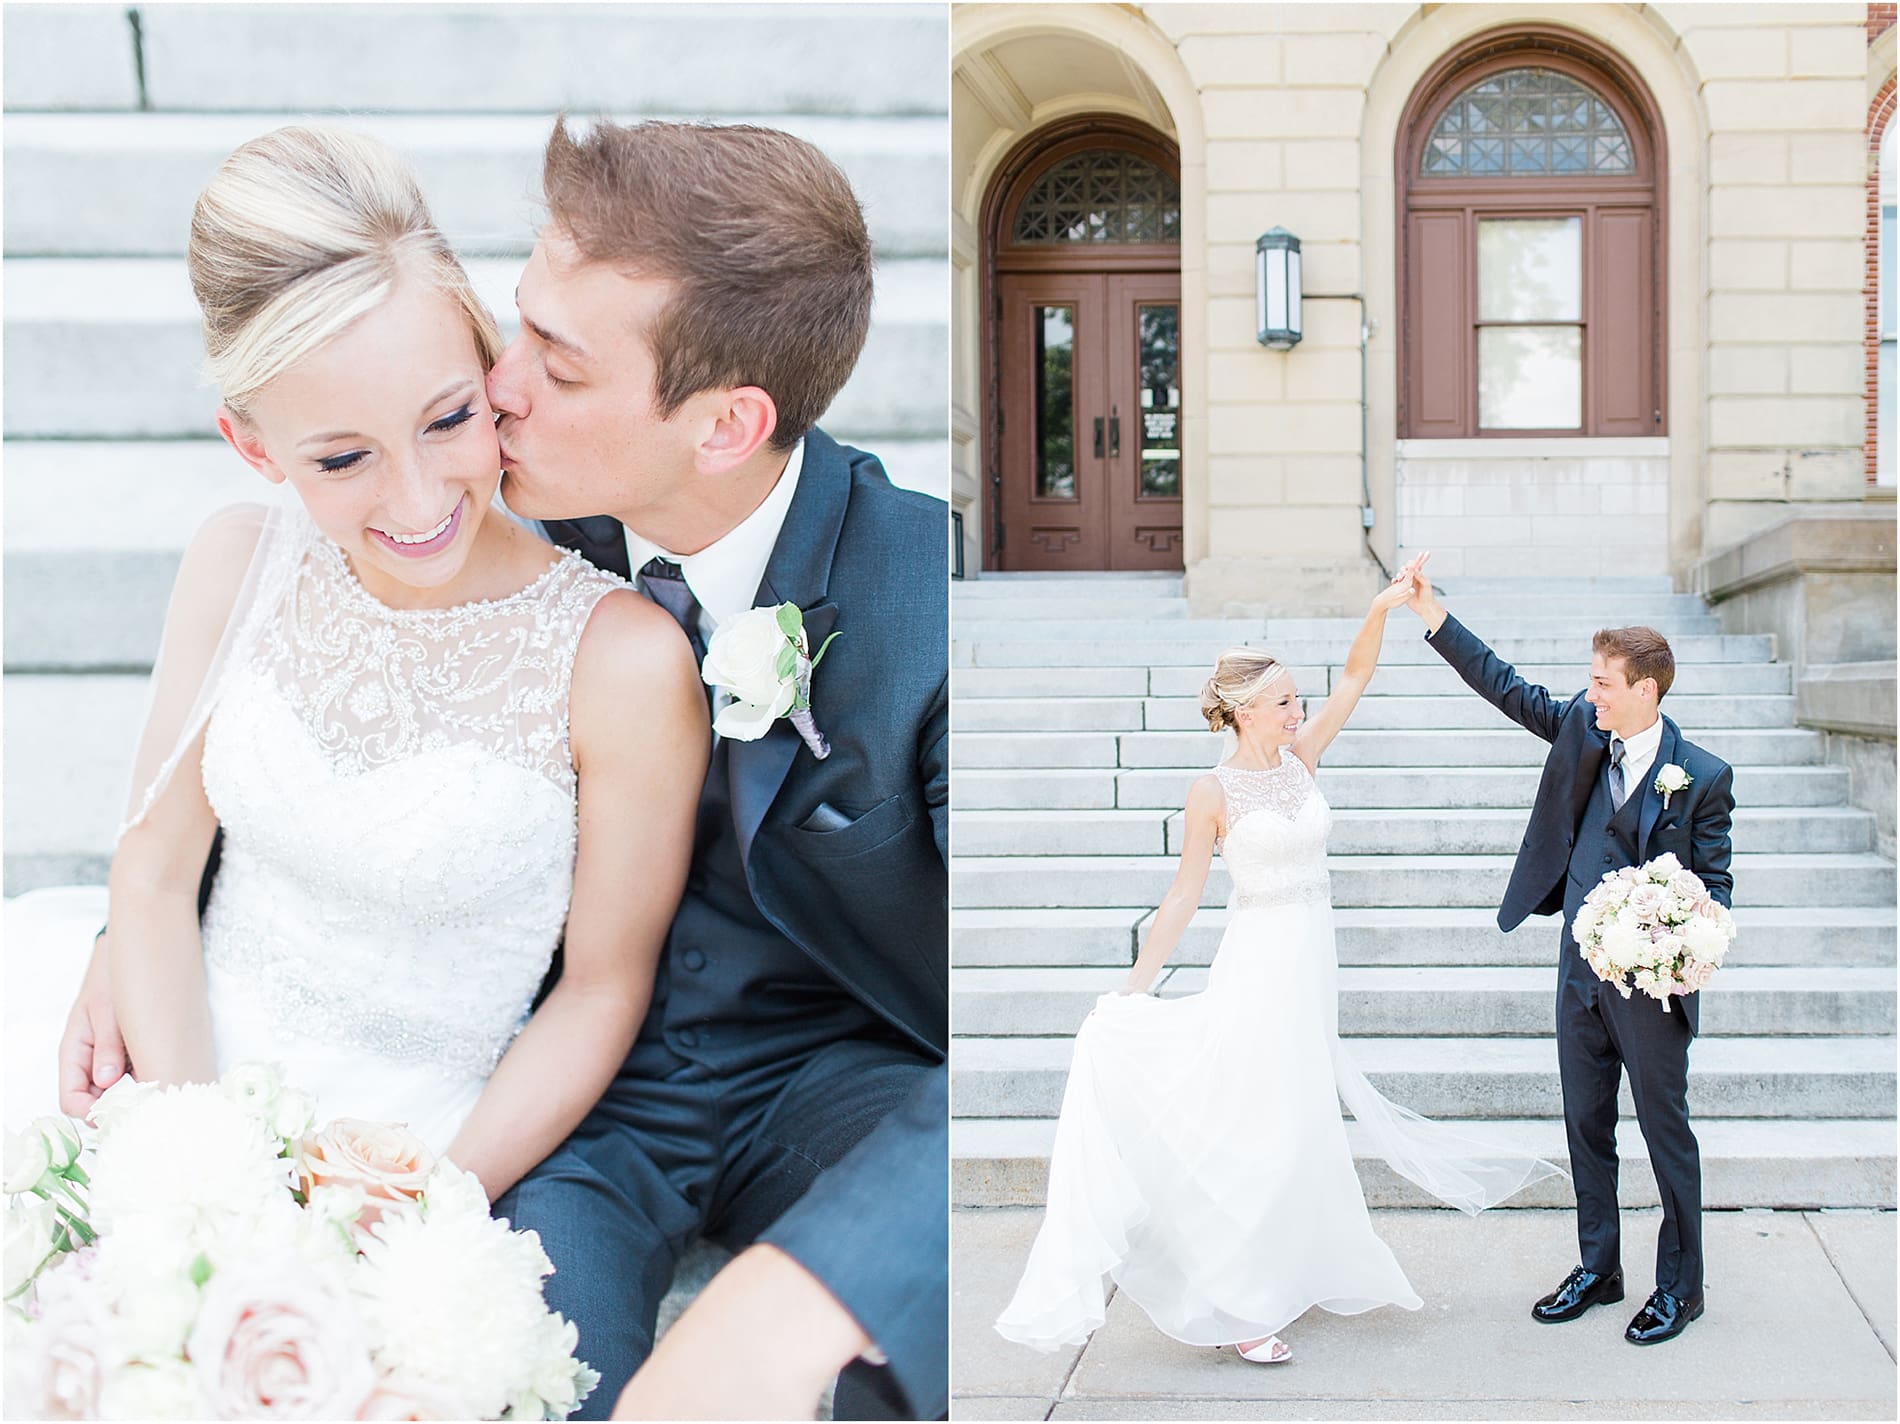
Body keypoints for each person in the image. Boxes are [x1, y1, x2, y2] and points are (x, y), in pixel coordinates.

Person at [60, 117, 951, 1422]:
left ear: (722, 427)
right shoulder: (470, 478)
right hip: (576, 1099)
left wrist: (787, 1305)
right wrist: (138, 911)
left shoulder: (931, 605)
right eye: (515, 326)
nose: (501, 381)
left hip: (821, 1075)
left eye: (552, 360)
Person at [8, 125, 707, 1207]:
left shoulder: (618, 660)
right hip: (176, 1061)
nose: (421, 501)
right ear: (255, 448)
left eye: (447, 419)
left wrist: (429, 1202)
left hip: (422, 1146)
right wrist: (201, 1166)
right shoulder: (236, 564)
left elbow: (602, 987)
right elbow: (150, 872)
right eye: (342, 458)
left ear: (491, 372)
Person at [994, 554, 1563, 1363]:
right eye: (1286, 700)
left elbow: (1357, 680)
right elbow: (1184, 899)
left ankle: (1287, 1272)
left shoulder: (1304, 760)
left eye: (1298, 698)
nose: (1300, 709)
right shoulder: (1212, 794)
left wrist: (1381, 608)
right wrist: (1132, 988)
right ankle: (1244, 1306)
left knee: (1297, 1127)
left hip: (1310, 969)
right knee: (1253, 1130)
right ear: (1245, 710)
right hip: (1258, 968)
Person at [1403, 567, 1733, 1346]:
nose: (1591, 694)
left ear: (1646, 691)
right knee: (1587, 1125)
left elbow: (1715, 889)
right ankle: (1599, 1268)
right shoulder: (1584, 731)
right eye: (1591, 681)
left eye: (1603, 683)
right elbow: (1507, 686)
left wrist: (1666, 938)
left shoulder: (1703, 778)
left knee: (1664, 1132)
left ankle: (1681, 1287)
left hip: (1650, 993)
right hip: (1578, 977)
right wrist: (1431, 613)